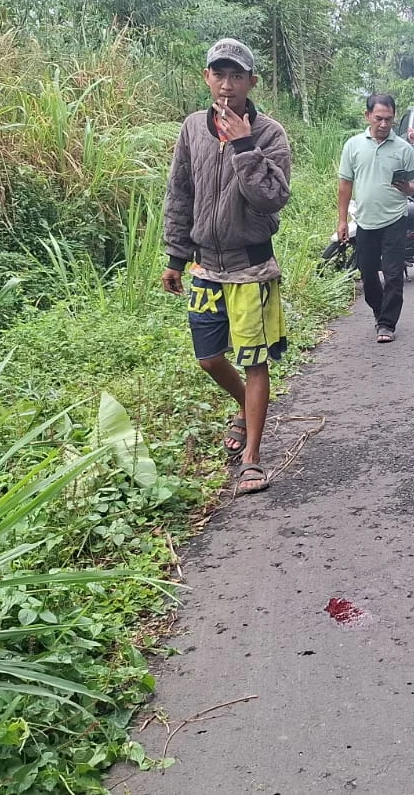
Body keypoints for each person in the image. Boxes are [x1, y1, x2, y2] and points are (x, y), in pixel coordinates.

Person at [162, 38, 293, 496]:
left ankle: (253, 459)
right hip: (206, 267)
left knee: (254, 361)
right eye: (219, 74)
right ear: (206, 78)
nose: (227, 84)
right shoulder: (193, 128)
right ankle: (248, 408)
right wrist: (176, 256)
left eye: (237, 75)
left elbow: (272, 198)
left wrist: (244, 145)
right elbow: (180, 192)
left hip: (251, 270)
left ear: (251, 82)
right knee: (209, 357)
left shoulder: (270, 134)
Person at [336, 94, 414, 343]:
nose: (384, 124)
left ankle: (387, 323)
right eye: (379, 118)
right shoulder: (353, 146)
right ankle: (378, 309)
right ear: (367, 116)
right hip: (365, 220)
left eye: (389, 119)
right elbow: (345, 184)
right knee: (368, 272)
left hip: (395, 217)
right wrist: (342, 220)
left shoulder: (403, 149)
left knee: (394, 274)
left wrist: (409, 188)